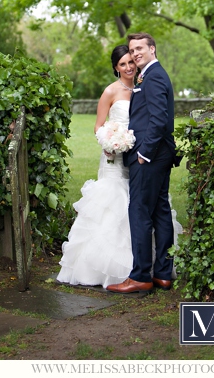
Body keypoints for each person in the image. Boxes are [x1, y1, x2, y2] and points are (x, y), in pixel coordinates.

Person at [56, 45, 140, 287]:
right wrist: (109, 142)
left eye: (130, 62)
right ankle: (103, 268)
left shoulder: (142, 88)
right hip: (114, 157)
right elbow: (98, 125)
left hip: (136, 157)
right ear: (116, 68)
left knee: (134, 202)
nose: (128, 67)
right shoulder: (110, 92)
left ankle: (138, 264)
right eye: (123, 64)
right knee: (112, 202)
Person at [107, 33, 182, 294]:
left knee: (139, 210)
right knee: (160, 210)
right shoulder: (149, 74)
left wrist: (144, 154)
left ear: (152, 48)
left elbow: (159, 120)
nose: (135, 53)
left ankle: (140, 275)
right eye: (132, 49)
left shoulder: (154, 75)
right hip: (159, 155)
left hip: (149, 155)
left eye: (140, 48)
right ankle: (162, 273)